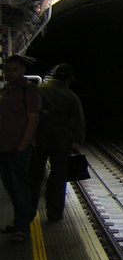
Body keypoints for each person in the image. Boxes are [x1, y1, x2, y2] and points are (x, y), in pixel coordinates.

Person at [30, 63, 85, 223]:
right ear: (68, 80)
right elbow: (79, 122)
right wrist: (77, 141)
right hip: (62, 142)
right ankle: (54, 213)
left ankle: (29, 211)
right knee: (58, 178)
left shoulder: (38, 90)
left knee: (34, 176)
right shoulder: (71, 97)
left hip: (38, 139)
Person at [0, 55, 41, 243]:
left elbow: (33, 119)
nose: (9, 73)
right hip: (4, 146)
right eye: (7, 69)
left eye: (14, 69)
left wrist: (22, 146)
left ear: (23, 70)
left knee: (20, 187)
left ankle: (22, 227)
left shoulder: (29, 91)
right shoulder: (6, 90)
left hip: (19, 147)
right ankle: (19, 222)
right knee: (10, 185)